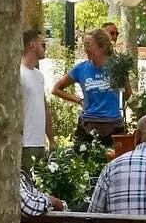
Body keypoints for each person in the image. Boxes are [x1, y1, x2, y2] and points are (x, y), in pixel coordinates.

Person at [51, 29, 125, 141]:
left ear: (102, 47)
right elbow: (56, 89)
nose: (85, 49)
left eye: (89, 45)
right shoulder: (80, 69)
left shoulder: (118, 67)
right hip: (87, 125)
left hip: (113, 125)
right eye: (84, 45)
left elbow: (128, 94)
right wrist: (79, 101)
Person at [19, 28, 53, 175]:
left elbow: (44, 108)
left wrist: (51, 139)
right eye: (43, 44)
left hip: (39, 143)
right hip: (25, 143)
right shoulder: (18, 73)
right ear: (33, 46)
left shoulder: (39, 75)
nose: (45, 47)